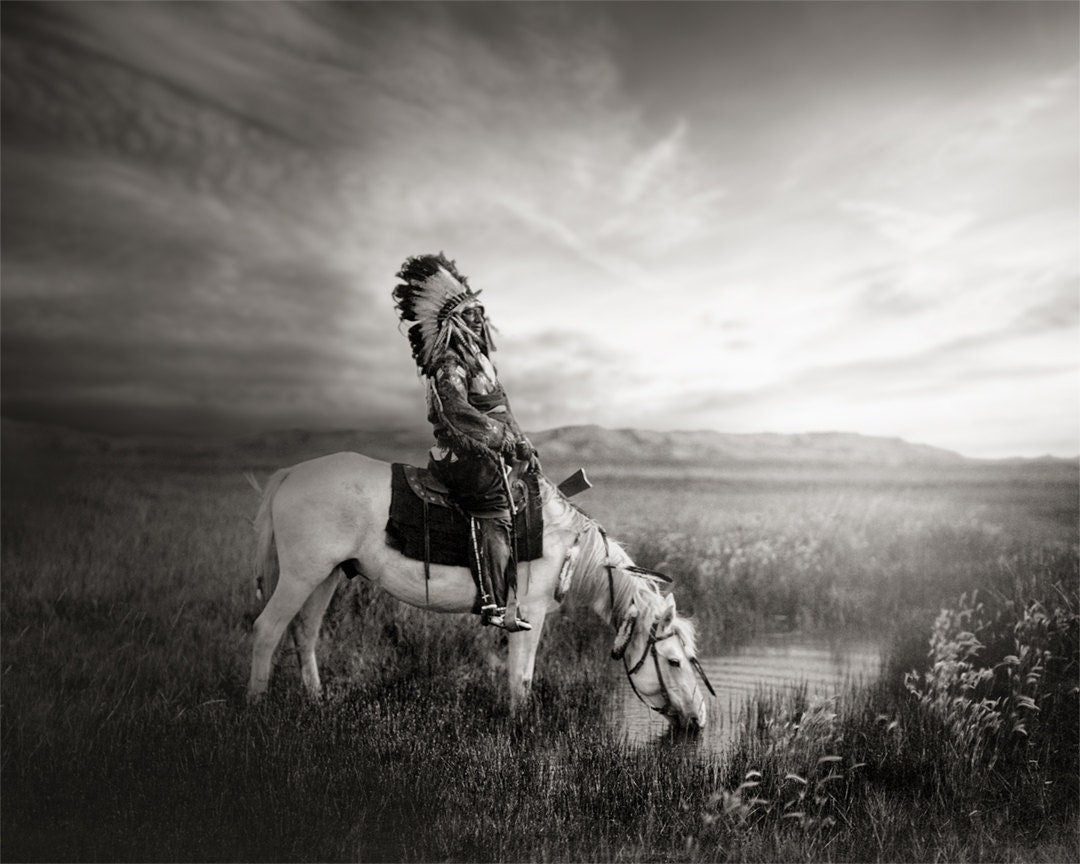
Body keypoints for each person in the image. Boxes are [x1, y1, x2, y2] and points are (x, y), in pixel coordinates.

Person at [392, 253, 539, 631]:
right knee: (493, 503)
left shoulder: (482, 360)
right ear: (453, 321)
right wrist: (501, 439)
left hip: (494, 449)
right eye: (469, 313)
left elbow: (501, 408)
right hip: (465, 454)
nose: (478, 318)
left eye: (479, 311)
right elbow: (456, 411)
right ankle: (493, 603)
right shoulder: (448, 362)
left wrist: (522, 443)